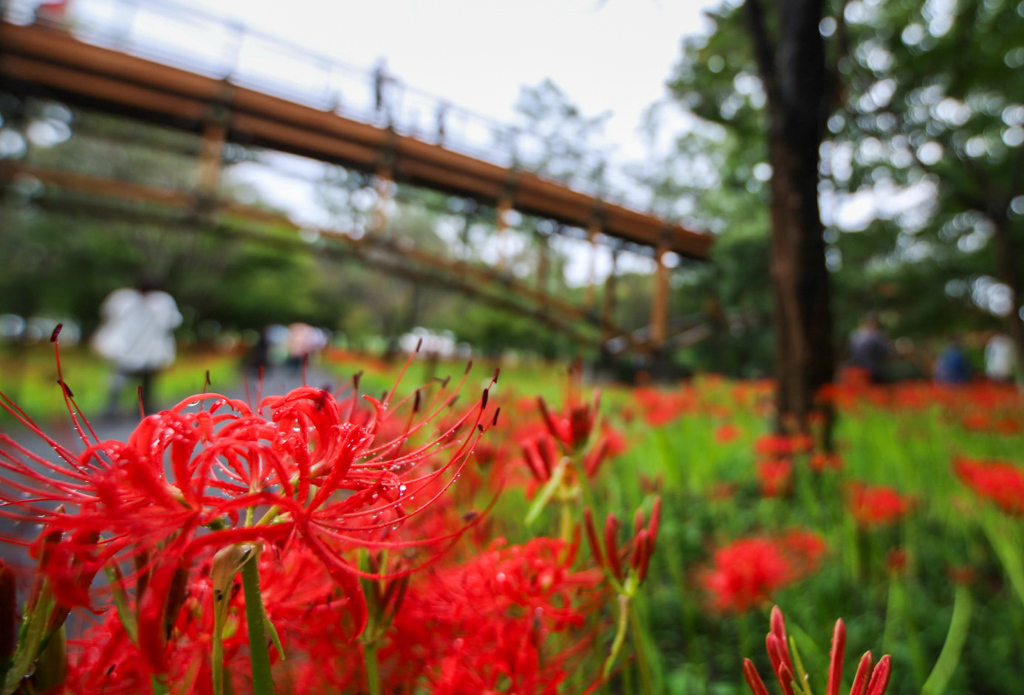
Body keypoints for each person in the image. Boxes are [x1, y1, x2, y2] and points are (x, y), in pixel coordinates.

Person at [91, 277, 182, 417]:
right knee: (135, 380)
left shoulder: (127, 299)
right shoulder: (158, 301)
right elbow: (173, 321)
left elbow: (107, 314)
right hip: (134, 349)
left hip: (141, 350)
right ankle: (129, 409)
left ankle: (122, 409)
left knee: (129, 379)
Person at [845, 313, 891, 383]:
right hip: (872, 370)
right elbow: (885, 352)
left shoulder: (854, 335)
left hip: (855, 367)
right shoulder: (876, 336)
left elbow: (849, 351)